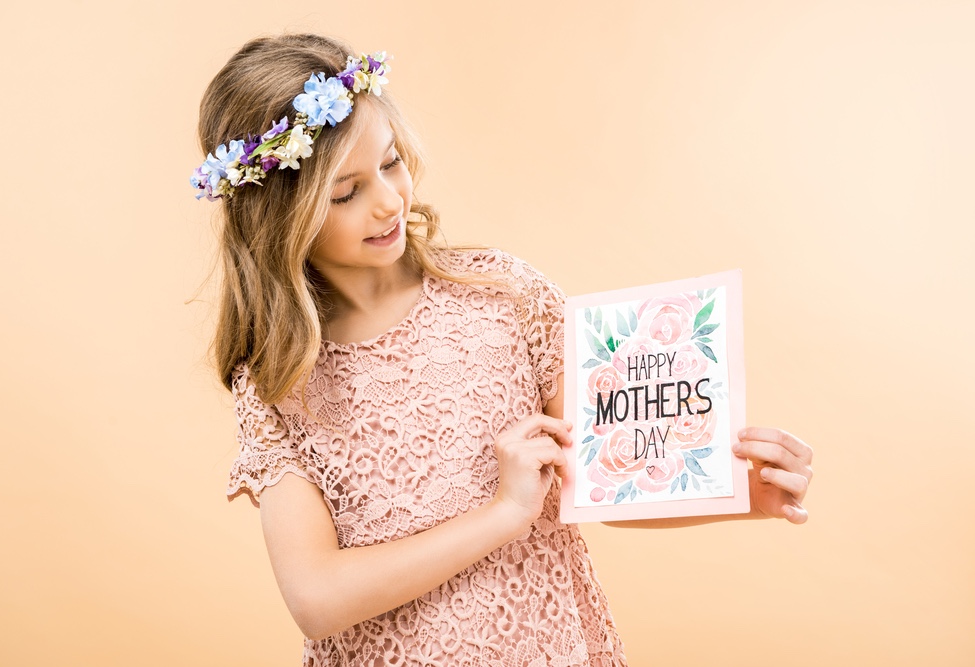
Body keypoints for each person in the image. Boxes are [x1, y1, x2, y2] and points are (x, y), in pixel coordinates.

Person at [193, 33, 814, 666]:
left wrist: (739, 493)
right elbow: (316, 597)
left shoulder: (502, 296)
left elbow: (602, 482)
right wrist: (504, 512)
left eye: (391, 163)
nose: (387, 201)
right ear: (280, 215)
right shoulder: (278, 382)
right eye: (345, 192)